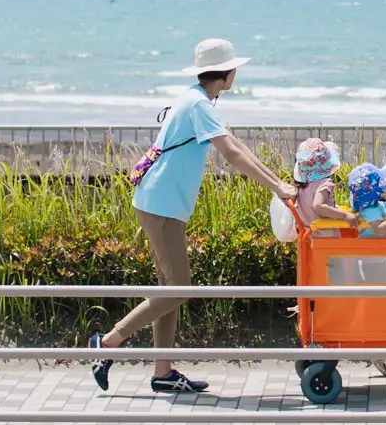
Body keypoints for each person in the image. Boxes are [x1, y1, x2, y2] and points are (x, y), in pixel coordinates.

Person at [91, 38, 297, 394]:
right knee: (180, 289)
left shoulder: (194, 99)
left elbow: (237, 145)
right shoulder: (199, 105)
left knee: (168, 290)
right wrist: (277, 188)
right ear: (228, 73)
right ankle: (107, 344)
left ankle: (163, 372)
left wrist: (278, 182)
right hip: (163, 205)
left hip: (158, 201)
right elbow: (231, 152)